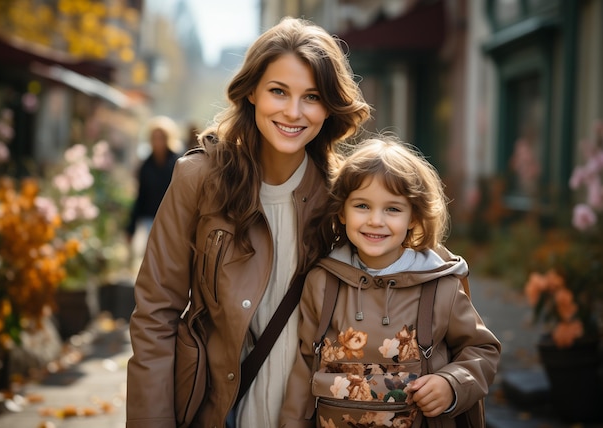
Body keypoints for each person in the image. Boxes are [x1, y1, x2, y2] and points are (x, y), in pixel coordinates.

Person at [126, 17, 372, 428]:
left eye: (311, 96)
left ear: (329, 105)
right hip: (220, 410)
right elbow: (155, 314)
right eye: (279, 91)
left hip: (315, 412)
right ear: (253, 92)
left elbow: (405, 283)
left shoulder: (345, 196)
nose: (293, 112)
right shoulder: (199, 179)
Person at [280, 137, 501, 427]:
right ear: (342, 212)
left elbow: (482, 350)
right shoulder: (322, 282)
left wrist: (452, 384)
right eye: (362, 205)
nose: (375, 220)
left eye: (393, 209)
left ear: (413, 217)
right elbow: (304, 366)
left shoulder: (439, 286)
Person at [125, 115, 181, 244]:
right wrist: (131, 227)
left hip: (171, 219)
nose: (157, 142)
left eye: (161, 138)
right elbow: (141, 195)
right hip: (149, 217)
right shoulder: (146, 165)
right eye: (154, 138)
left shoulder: (178, 163)